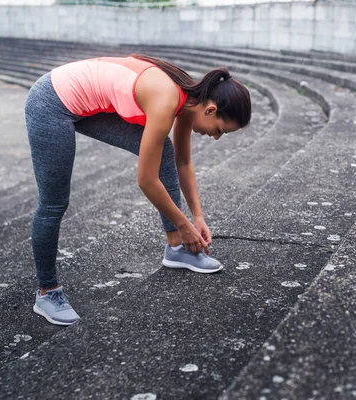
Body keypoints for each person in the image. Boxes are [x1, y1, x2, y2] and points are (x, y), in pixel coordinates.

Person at [24, 54, 251, 326]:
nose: (215, 137)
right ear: (211, 110)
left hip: (82, 102)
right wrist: (184, 223)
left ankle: (176, 248)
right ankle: (47, 292)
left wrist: (197, 218)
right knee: (54, 203)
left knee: (165, 152)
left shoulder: (189, 102)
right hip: (50, 101)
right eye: (220, 131)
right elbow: (146, 180)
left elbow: (183, 161)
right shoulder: (167, 100)